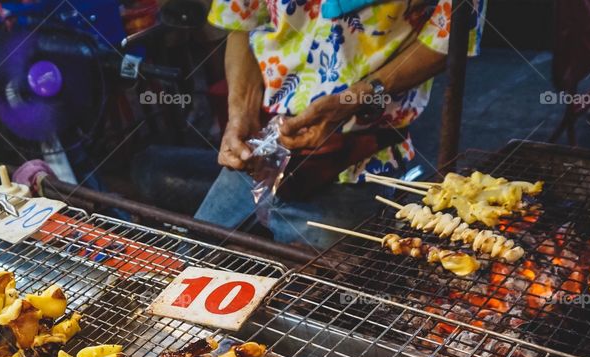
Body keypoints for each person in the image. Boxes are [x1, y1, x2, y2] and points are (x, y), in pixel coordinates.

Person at [197, 0, 485, 250]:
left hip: (360, 162)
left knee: (318, 300)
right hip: (261, 148)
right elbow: (242, 22)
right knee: (192, 258)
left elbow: (448, 38)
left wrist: (356, 97)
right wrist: (240, 114)